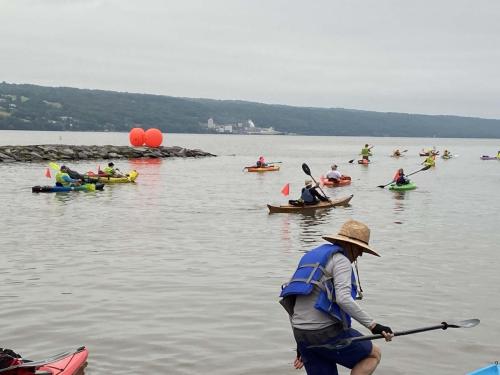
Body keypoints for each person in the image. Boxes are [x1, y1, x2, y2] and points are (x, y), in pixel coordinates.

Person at [279, 220, 394, 375]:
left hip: (300, 333)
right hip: (325, 333)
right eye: (360, 249)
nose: (360, 254)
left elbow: (292, 301)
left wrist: (301, 344)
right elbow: (343, 298)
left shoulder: (310, 257)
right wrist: (374, 326)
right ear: (352, 245)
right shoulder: (341, 260)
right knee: (374, 354)